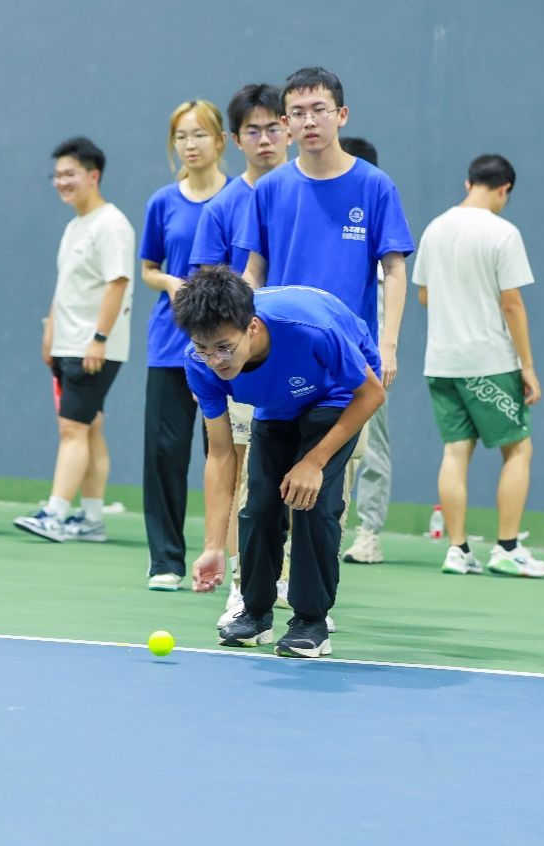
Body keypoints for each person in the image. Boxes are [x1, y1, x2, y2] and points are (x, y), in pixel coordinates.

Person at [238, 69, 414, 614]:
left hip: (346, 370)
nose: (309, 120)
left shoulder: (374, 186)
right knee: (261, 497)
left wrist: (388, 345)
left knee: (322, 500)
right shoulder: (270, 189)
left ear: (341, 115)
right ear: (286, 124)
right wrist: (240, 339)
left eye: (319, 109)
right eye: (298, 113)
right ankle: (250, 599)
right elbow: (253, 270)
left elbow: (394, 269)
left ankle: (311, 612)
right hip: (277, 366)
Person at [176, 268, 384, 658]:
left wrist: (314, 462)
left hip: (338, 395)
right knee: (257, 506)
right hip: (276, 404)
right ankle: (255, 613)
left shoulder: (312, 330)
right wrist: (213, 546)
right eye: (203, 348)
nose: (215, 360)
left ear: (252, 328)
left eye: (224, 347)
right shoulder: (200, 363)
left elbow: (371, 394)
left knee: (311, 503)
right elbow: (220, 454)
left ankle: (311, 621)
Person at [412, 154, 544, 577]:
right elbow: (512, 303)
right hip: (489, 361)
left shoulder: (435, 228)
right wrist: (527, 366)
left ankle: (458, 550)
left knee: (455, 451)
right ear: (505, 189)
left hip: (441, 361)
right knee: (519, 449)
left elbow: (424, 296)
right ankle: (507, 548)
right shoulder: (502, 233)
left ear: (468, 182)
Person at [188, 83, 291, 624]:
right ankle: (243, 582)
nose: (265, 139)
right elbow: (203, 291)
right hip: (243, 363)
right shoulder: (223, 207)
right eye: (253, 130)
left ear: (289, 129)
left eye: (274, 127)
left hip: (299, 360)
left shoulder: (305, 193)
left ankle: (294, 583)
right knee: (247, 471)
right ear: (236, 139)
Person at [14, 137, 135, 542]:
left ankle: (54, 513)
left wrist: (98, 339)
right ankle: (91, 519)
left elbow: (118, 283)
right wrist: (50, 330)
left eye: (70, 174)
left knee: (72, 429)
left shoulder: (111, 224)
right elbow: (66, 285)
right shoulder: (75, 226)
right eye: (57, 175)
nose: (61, 182)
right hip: (67, 344)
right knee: (89, 427)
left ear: (93, 175)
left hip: (92, 348)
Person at [139, 99, 231, 590]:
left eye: (199, 135)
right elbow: (148, 269)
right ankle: (166, 561)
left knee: (225, 452)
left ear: (220, 140)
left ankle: (226, 556)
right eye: (181, 137)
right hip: (168, 345)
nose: (190, 145)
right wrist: (171, 282)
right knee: (164, 453)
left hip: (226, 350)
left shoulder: (239, 197)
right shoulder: (162, 202)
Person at [337, 137, 392, 565]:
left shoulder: (377, 223)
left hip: (367, 358)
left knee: (372, 443)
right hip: (319, 354)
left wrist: (386, 351)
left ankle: (369, 530)